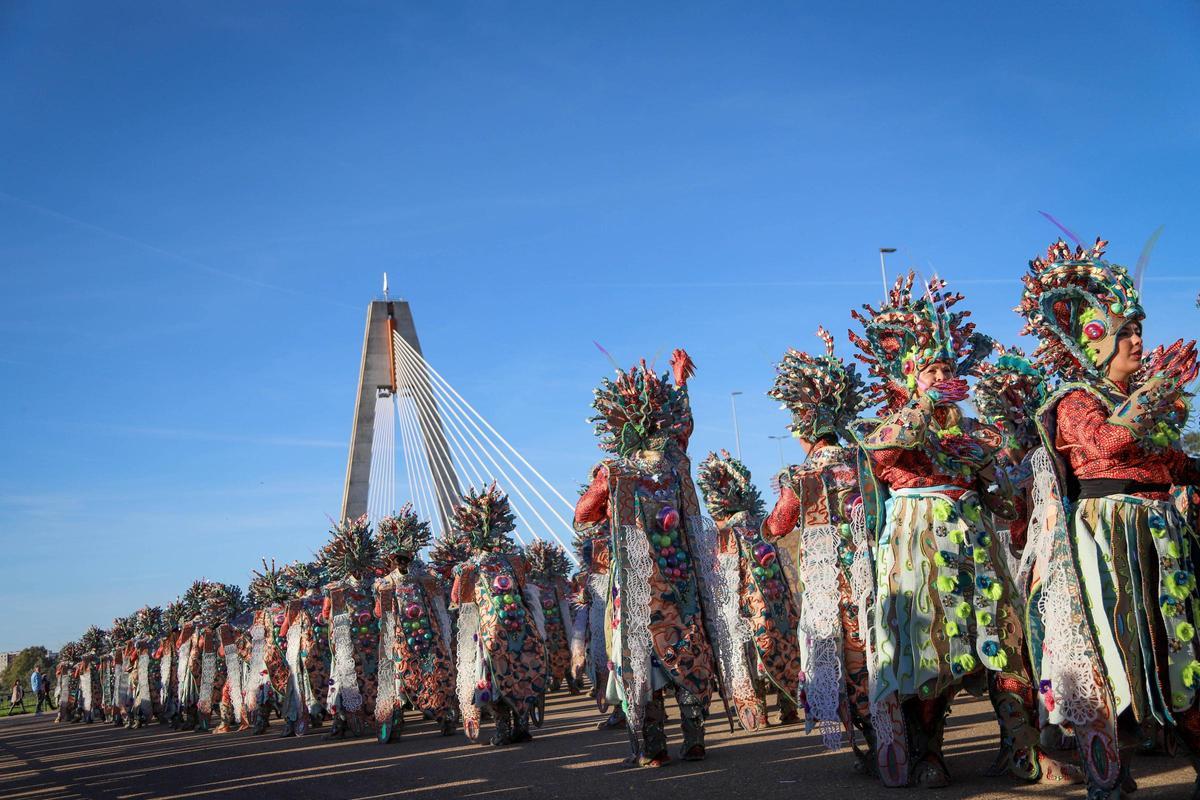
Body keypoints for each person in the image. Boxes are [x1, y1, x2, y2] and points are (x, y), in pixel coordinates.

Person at [1016, 237, 1200, 799]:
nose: (1139, 341)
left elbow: (1172, 462)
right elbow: (1108, 443)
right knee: (1118, 644)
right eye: (1128, 333)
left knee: (1179, 647)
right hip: (1105, 540)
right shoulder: (1074, 398)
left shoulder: (1142, 397)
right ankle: (1109, 770)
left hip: (1158, 536)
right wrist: (1157, 393)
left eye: (1139, 331)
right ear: (1098, 342)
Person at [847, 273, 1048, 788]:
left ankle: (1021, 750)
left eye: (946, 368)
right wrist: (921, 401)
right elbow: (884, 453)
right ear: (908, 377)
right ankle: (928, 754)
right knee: (929, 648)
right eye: (930, 368)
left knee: (1003, 639)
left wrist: (1007, 472)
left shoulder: (971, 434)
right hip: (919, 543)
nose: (941, 376)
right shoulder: (890, 425)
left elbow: (1002, 502)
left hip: (976, 544)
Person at [574, 351, 721, 767]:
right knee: (688, 650)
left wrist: (603, 501)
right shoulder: (676, 463)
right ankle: (695, 740)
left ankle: (654, 750)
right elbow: (685, 428)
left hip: (638, 589)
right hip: (681, 581)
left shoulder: (615, 472)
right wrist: (680, 384)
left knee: (643, 661)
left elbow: (581, 517)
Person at [763, 328, 873, 758]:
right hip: (873, 570)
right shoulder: (861, 460)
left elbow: (776, 525)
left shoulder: (804, 476)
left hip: (831, 585)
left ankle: (872, 737)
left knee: (843, 657)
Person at [698, 451, 802, 732]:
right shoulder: (758, 526)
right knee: (780, 644)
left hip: (742, 605)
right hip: (773, 602)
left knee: (745, 650)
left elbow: (720, 577)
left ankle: (756, 710)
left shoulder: (725, 534)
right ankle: (788, 705)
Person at [451, 483, 547, 746]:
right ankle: (522, 727)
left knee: (493, 677)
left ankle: (504, 730)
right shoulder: (514, 560)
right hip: (521, 627)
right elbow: (524, 587)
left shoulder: (469, 568)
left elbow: (458, 599)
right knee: (522, 672)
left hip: (491, 630)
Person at [373, 505, 456, 743]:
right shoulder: (385, 583)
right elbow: (381, 613)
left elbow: (439, 593)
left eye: (405, 558)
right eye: (397, 558)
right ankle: (396, 720)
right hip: (400, 638)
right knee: (400, 677)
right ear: (391, 559)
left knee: (437, 673)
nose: (401, 562)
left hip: (429, 634)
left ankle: (445, 716)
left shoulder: (423, 576)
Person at [317, 514, 382, 740]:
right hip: (357, 643)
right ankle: (346, 721)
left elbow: (325, 616)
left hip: (364, 643)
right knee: (352, 680)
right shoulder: (347, 588)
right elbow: (326, 615)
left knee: (361, 679)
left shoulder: (367, 586)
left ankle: (363, 719)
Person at [524, 539, 578, 694]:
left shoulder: (556, 581)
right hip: (544, 626)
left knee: (563, 652)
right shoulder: (533, 583)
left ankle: (570, 681)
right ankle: (556, 680)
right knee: (548, 654)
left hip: (558, 627)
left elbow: (566, 601)